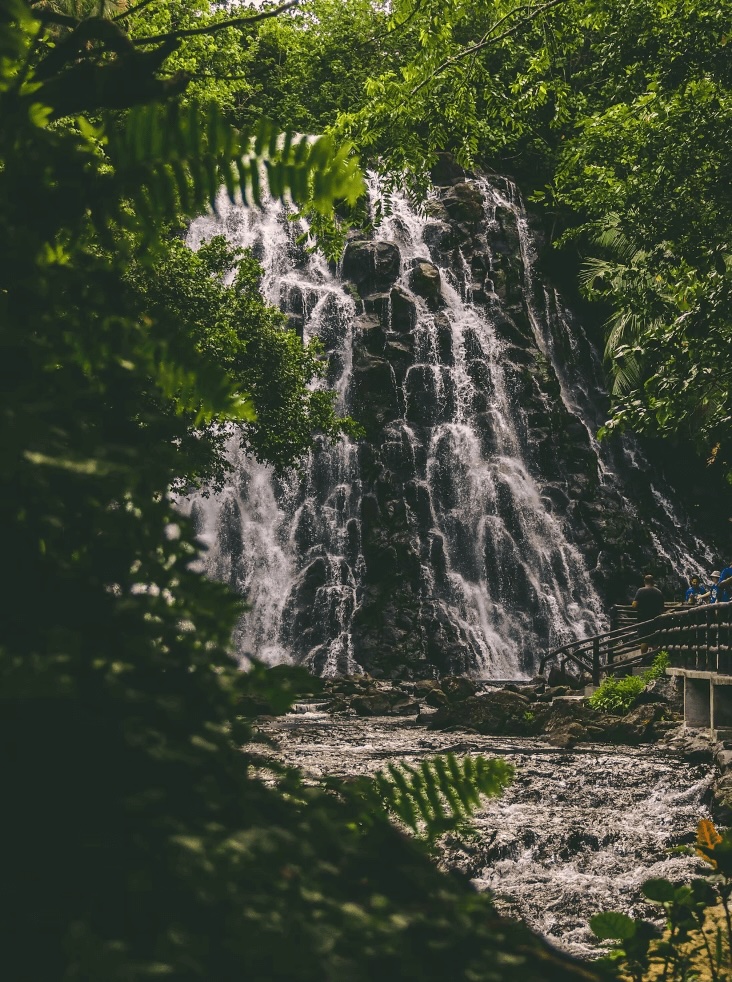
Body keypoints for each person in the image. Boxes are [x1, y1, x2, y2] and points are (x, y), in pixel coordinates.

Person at [632, 574, 664, 653]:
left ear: (644, 581)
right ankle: (655, 657)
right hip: (655, 619)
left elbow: (634, 605)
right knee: (655, 639)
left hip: (643, 619)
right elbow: (661, 607)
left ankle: (644, 657)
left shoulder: (640, 591)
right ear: (653, 582)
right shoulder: (658, 592)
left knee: (644, 640)